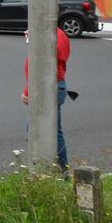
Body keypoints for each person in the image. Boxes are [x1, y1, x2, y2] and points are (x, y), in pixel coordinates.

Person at [21, 27, 71, 171]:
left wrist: (28, 91)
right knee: (53, 130)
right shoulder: (56, 33)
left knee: (38, 129)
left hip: (48, 87)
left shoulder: (53, 34)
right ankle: (60, 171)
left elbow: (45, 62)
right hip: (52, 86)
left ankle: (46, 170)